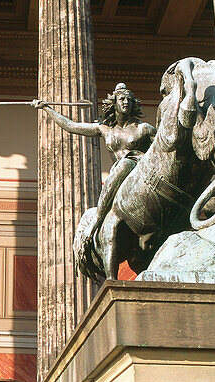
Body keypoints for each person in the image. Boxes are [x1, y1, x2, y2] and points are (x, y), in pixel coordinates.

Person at [33, 83, 158, 264]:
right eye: (122, 99)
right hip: (120, 175)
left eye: (129, 100)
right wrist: (47, 109)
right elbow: (71, 126)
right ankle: (100, 220)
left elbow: (162, 150)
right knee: (121, 167)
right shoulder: (105, 129)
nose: (126, 103)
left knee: (124, 165)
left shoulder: (144, 128)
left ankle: (97, 221)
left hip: (139, 168)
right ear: (114, 103)